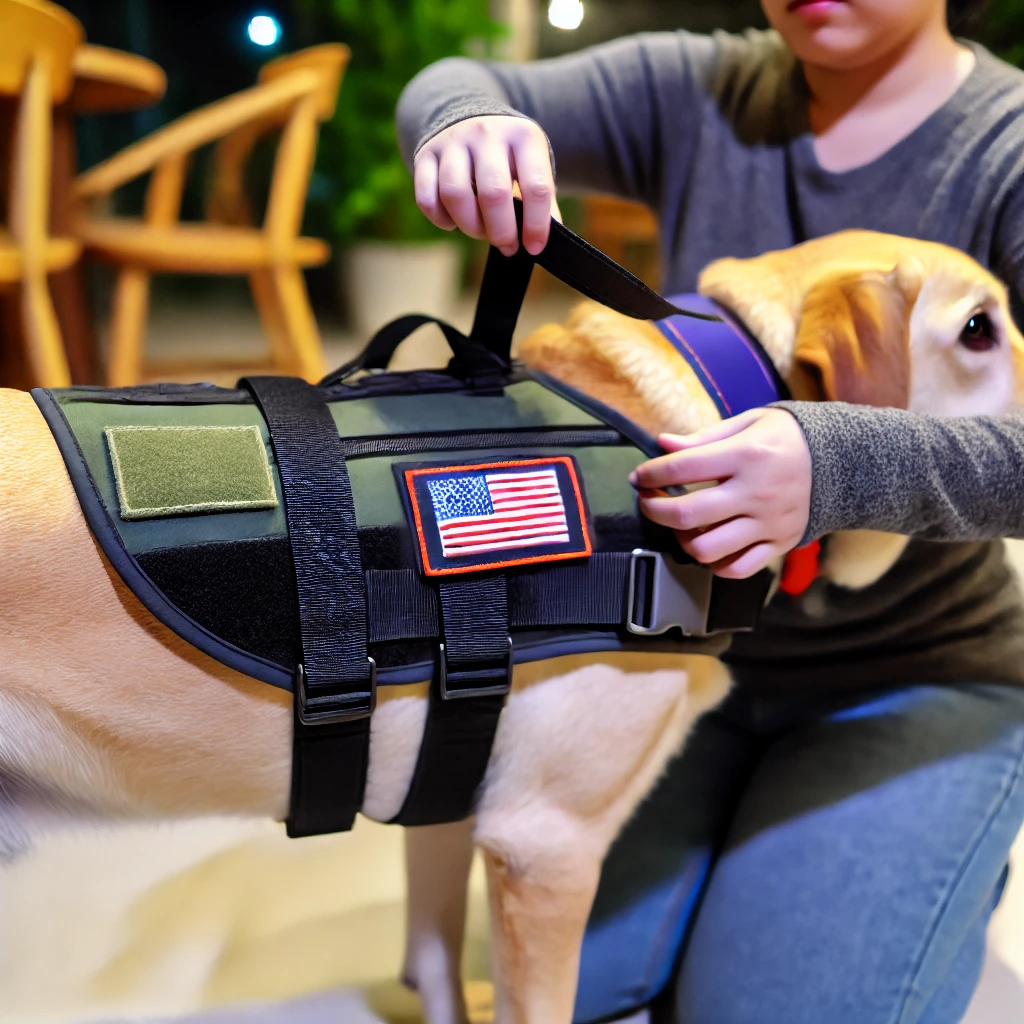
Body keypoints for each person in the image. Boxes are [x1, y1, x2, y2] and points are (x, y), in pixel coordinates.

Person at [396, 3, 1024, 1023]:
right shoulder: (700, 88)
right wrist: (468, 120)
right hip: (675, 660)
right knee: (565, 969)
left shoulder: (1007, 143)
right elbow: (450, 81)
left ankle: (941, 835)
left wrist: (833, 466)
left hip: (916, 679)